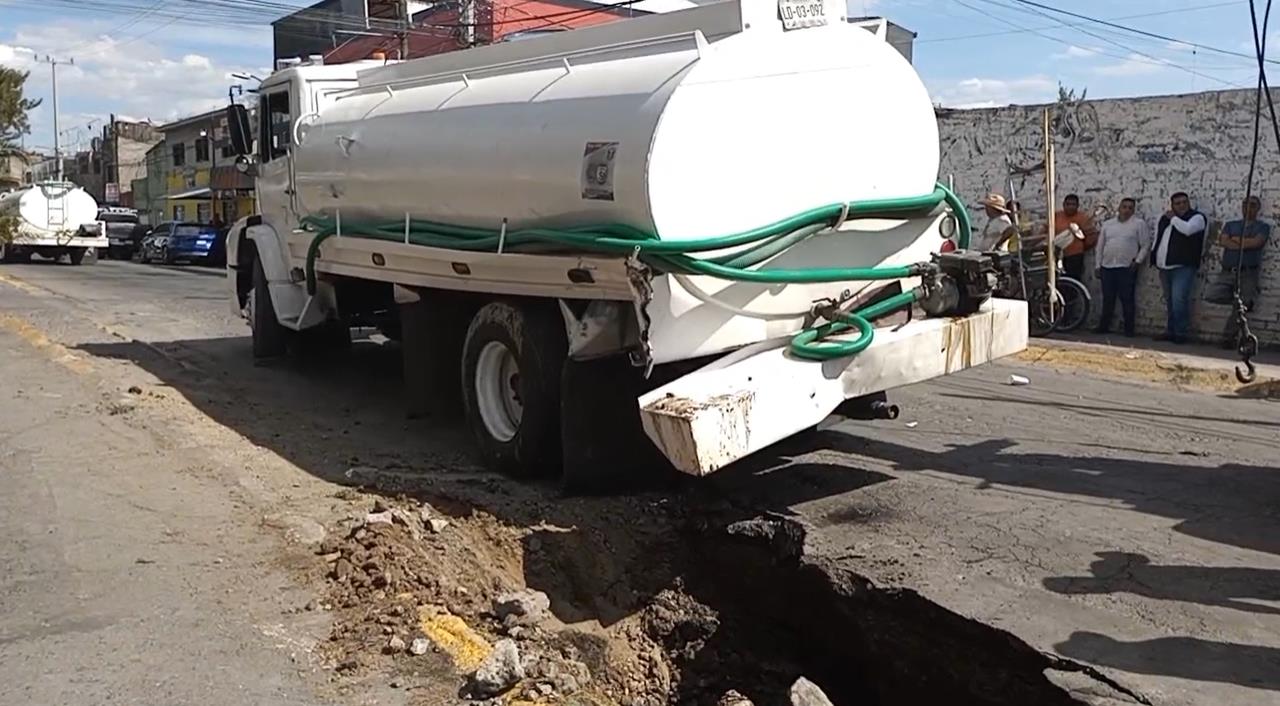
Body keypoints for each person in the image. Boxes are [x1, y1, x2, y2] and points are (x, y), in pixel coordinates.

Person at [1205, 195, 1270, 347]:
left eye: (1253, 205)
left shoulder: (1262, 226)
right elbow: (1223, 241)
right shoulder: (1231, 224)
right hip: (1228, 271)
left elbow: (1256, 242)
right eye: (1245, 204)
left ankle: (1228, 338)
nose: (1248, 208)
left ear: (1258, 208)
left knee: (1242, 304)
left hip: (1248, 272)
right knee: (1211, 294)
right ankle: (1239, 301)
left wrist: (1235, 240)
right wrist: (1243, 242)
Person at [1150, 191, 1207, 344]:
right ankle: (1171, 330)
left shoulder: (1197, 217)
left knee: (1179, 299)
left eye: (1184, 202)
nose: (1181, 205)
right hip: (1164, 266)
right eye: (1178, 203)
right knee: (1169, 300)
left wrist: (1173, 218)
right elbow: (1158, 237)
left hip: (1183, 265)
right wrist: (1154, 256)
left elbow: (1188, 230)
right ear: (1172, 205)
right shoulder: (1164, 219)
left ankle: (1181, 333)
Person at [1093, 198, 1150, 336]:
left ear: (1133, 210)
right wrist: (1097, 265)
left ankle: (1129, 330)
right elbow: (1100, 246)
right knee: (1108, 298)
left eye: (1130, 208)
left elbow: (1145, 245)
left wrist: (1137, 261)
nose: (1127, 210)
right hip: (1107, 266)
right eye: (1124, 207)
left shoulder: (1138, 224)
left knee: (1127, 299)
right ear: (1119, 208)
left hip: (1127, 267)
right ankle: (1104, 326)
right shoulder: (1108, 225)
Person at [1054, 194, 1099, 281]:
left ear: (1077, 206)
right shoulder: (1056, 217)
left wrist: (1081, 247)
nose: (1070, 207)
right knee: (1058, 281)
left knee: (1074, 280)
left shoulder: (1083, 218)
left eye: (1073, 204)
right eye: (1068, 204)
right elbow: (1045, 231)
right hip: (1055, 255)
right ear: (1064, 205)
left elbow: (1091, 236)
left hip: (1075, 256)